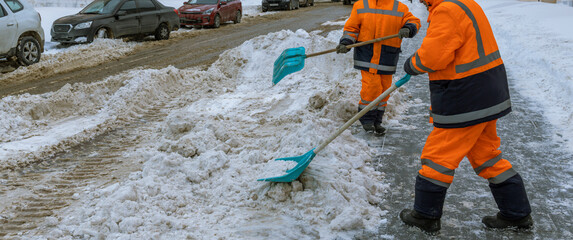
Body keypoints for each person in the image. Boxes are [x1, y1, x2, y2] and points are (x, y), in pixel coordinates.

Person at [399, 0, 532, 233]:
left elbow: (433, 56)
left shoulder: (446, 10)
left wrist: (412, 64)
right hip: (486, 93)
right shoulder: (463, 4)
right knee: (487, 156)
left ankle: (424, 216)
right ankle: (517, 214)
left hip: (466, 96)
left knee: (438, 156)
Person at [336, 0, 421, 134]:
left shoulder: (399, 7)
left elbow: (414, 21)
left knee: (384, 90)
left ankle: (377, 120)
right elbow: (352, 28)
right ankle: (367, 119)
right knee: (372, 87)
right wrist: (346, 42)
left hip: (387, 56)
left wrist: (408, 28)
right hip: (367, 55)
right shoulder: (361, 5)